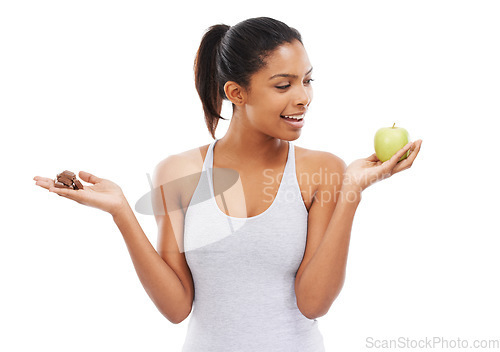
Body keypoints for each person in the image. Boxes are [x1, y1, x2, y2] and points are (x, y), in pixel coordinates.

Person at [34, 17, 422, 352]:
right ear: (237, 93)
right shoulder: (178, 172)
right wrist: (121, 211)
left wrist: (352, 192)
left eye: (307, 80)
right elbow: (177, 307)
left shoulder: (321, 170)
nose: (304, 97)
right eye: (283, 86)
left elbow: (314, 303)